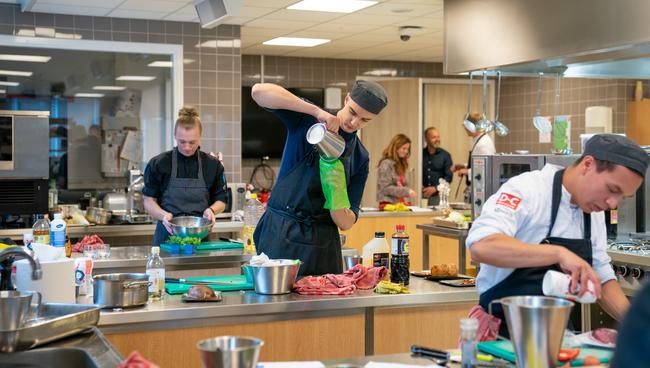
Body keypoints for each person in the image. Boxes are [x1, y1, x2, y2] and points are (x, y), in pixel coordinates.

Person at [465, 134, 648, 339]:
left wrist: (639, 322)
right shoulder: (527, 190)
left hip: (556, 334)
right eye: (612, 189)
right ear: (588, 165)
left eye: (622, 197)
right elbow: (482, 246)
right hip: (499, 333)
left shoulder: (593, 212)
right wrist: (557, 253)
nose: (612, 203)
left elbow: (601, 278)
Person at [251, 80, 388, 276]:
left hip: (322, 244)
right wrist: (317, 112)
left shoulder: (360, 157)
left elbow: (346, 222)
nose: (354, 123)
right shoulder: (308, 120)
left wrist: (336, 196)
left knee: (325, 305)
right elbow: (259, 91)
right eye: (353, 112)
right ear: (346, 98)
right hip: (280, 233)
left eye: (364, 120)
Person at [143, 107, 228, 247]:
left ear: (200, 137)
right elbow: (148, 201)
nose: (187, 147)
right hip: (167, 236)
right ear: (175, 136)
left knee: (199, 270)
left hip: (201, 238)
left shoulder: (213, 165)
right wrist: (163, 215)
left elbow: (221, 200)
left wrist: (211, 210)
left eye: (192, 142)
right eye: (182, 142)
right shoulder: (159, 163)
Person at [451, 112, 496, 202]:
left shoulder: (484, 144)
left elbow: (487, 169)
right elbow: (479, 162)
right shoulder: (478, 140)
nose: (464, 128)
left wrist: (467, 171)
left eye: (466, 125)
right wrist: (465, 166)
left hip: (482, 190)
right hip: (476, 187)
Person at [376, 133, 416, 209]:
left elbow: (401, 185)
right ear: (395, 148)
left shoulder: (400, 164)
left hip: (399, 204)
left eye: (407, 149)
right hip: (388, 205)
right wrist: (406, 191)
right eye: (404, 148)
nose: (406, 151)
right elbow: (385, 188)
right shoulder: (386, 164)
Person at [422, 127, 453, 206]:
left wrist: (435, 188)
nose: (437, 139)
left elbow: (448, 177)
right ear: (426, 139)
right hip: (421, 196)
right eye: (433, 137)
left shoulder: (445, 155)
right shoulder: (420, 154)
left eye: (438, 137)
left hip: (438, 197)